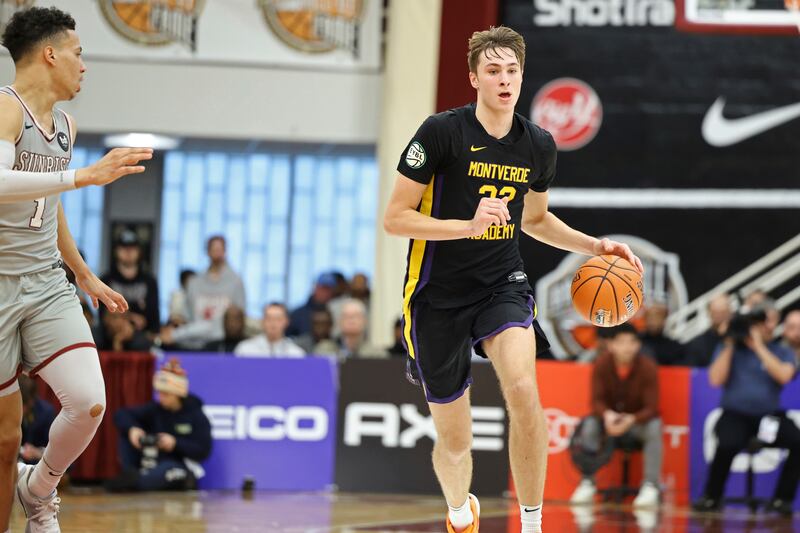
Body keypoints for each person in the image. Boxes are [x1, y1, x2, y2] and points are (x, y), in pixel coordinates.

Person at [382, 26, 643, 533]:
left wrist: (596, 246)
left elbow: (536, 219)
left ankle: (532, 523)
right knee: (455, 445)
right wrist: (467, 226)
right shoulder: (441, 133)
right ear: (474, 78)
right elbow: (395, 218)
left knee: (523, 387)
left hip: (502, 282)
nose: (504, 80)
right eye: (494, 70)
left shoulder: (538, 144)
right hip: (436, 294)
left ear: (522, 76)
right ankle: (461, 514)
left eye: (512, 70)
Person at [0, 7, 152, 532]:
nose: (84, 65)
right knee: (3, 437)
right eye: (79, 53)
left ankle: (39, 491)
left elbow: (51, 200)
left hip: (45, 281)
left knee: (89, 401)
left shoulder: (65, 124)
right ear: (50, 54)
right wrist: (84, 175)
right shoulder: (5, 108)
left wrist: (83, 273)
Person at [693, 304, 800, 515]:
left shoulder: (782, 351)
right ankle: (711, 497)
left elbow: (784, 376)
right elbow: (715, 380)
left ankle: (781, 500)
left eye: (766, 322)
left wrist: (758, 346)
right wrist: (731, 343)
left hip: (767, 418)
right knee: (727, 442)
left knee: (797, 441)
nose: (761, 327)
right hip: (735, 415)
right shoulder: (730, 348)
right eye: (757, 323)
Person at [569, 324, 662, 507]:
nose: (626, 347)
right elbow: (596, 401)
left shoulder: (648, 367)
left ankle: (651, 486)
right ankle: (588, 481)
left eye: (631, 342)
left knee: (655, 426)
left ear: (638, 345)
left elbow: (652, 408)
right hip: (608, 423)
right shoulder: (602, 364)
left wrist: (631, 419)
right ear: (611, 344)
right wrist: (607, 416)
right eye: (621, 342)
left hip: (635, 424)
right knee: (589, 424)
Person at [108, 359, 212, 492]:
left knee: (154, 478)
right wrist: (132, 429)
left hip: (177, 463)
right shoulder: (156, 408)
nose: (160, 397)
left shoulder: (196, 415)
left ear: (178, 394)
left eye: (166, 394)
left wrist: (175, 443)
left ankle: (132, 482)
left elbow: (203, 450)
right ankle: (131, 476)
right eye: (159, 393)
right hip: (150, 460)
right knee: (125, 432)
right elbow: (121, 414)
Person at [159, 236, 245, 350]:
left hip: (223, 343)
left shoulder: (236, 282)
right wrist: (176, 323)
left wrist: (177, 334)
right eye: (214, 249)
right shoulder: (195, 282)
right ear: (208, 251)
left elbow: (238, 317)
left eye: (220, 249)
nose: (217, 253)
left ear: (225, 251)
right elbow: (186, 316)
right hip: (192, 341)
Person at [100, 229, 160, 337]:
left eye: (132, 247)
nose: (128, 251)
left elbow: (154, 319)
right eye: (123, 247)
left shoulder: (150, 281)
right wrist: (129, 318)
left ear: (139, 251)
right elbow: (102, 316)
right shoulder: (106, 280)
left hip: (142, 336)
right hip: (110, 335)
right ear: (116, 251)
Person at [234, 303, 305, 358]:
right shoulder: (245, 350)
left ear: (286, 322)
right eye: (269, 319)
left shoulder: (296, 354)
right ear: (262, 321)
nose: (273, 324)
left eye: (278, 319)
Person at [685, 294, 732, 367]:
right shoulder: (699, 343)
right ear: (709, 313)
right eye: (716, 313)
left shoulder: (740, 338)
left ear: (729, 312)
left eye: (723, 312)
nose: (720, 316)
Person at [18, 376, 55, 466]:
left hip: (37, 467)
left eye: (24, 404)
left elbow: (59, 451)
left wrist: (37, 453)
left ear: (32, 400)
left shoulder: (46, 413)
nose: (20, 409)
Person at [288, 272, 337, 337]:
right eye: (323, 288)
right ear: (315, 288)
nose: (325, 293)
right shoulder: (298, 314)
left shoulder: (335, 312)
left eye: (329, 289)